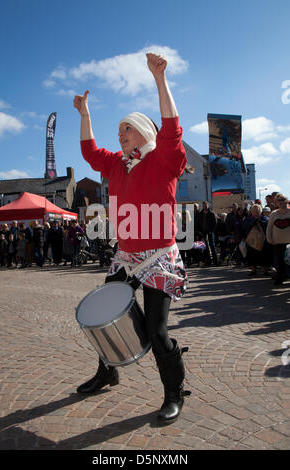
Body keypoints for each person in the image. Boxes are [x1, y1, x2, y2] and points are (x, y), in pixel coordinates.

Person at [74, 52, 190, 424]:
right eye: (119, 130)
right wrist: (85, 116)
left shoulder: (164, 160)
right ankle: (109, 369)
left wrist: (160, 80)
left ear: (144, 133)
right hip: (126, 255)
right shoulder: (116, 164)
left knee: (156, 330)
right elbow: (89, 152)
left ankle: (174, 392)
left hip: (159, 256)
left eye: (127, 129)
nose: (120, 134)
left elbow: (172, 128)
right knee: (106, 315)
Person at [266, 193, 290, 286]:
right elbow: (269, 228)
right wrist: (269, 238)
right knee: (280, 262)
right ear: (276, 202)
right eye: (278, 200)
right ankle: (280, 278)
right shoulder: (273, 214)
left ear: (286, 200)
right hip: (278, 242)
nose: (281, 202)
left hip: (289, 242)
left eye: (283, 199)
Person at [197, 201, 218, 266]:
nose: (204, 206)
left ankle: (215, 262)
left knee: (212, 246)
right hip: (203, 233)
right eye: (203, 205)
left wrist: (211, 231)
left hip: (210, 232)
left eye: (206, 205)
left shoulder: (211, 213)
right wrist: (200, 232)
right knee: (205, 247)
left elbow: (215, 223)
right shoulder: (200, 214)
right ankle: (208, 261)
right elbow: (198, 223)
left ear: (208, 205)